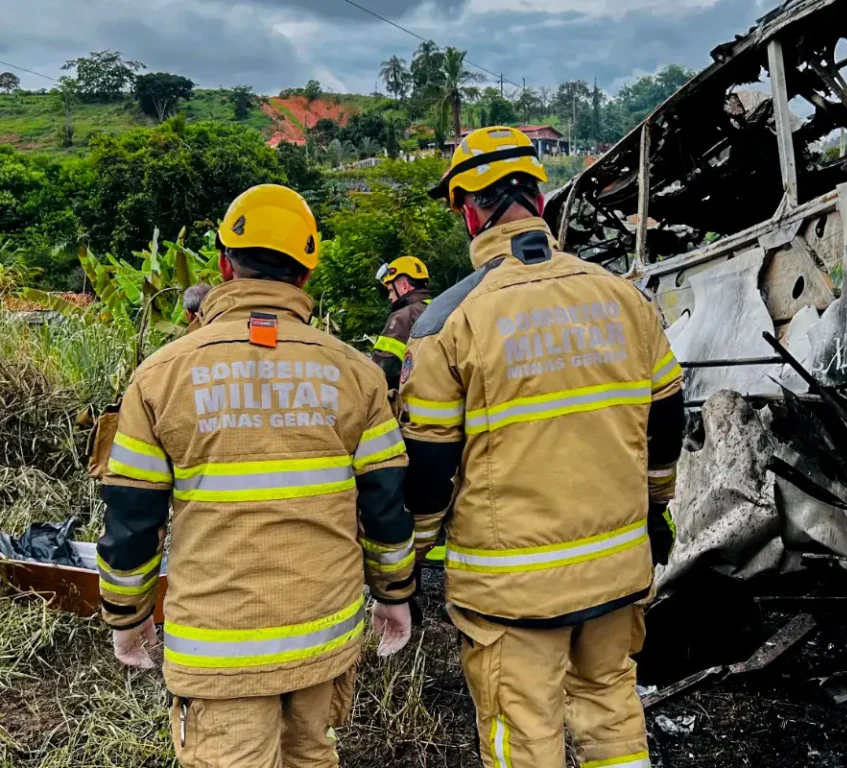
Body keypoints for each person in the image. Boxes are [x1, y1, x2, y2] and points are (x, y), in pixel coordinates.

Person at [96, 184, 416, 768]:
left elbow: (132, 515)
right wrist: (395, 595)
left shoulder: (160, 376)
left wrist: (127, 615)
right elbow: (386, 506)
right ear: (306, 272)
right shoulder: (357, 375)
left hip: (220, 651)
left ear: (224, 265)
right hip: (324, 638)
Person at [400, 126, 685, 768]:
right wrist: (654, 508)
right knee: (612, 706)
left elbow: (430, 467)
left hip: (513, 589)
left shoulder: (448, 322)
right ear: (541, 201)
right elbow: (667, 419)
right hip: (618, 563)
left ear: (469, 210)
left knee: (522, 731)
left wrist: (410, 561)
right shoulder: (624, 298)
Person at [371, 256, 432, 392]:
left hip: (412, 402)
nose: (390, 297)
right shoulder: (439, 309)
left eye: (391, 291)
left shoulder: (403, 317)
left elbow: (382, 368)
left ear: (404, 286)